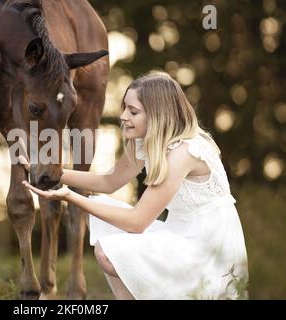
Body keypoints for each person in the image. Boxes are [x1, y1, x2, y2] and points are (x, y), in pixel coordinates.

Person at [19, 72, 249, 300]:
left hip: (207, 249)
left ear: (158, 114)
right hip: (179, 232)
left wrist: (69, 197)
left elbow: (137, 222)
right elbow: (108, 182)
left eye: (133, 111)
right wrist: (49, 172)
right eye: (124, 108)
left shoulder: (184, 152)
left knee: (109, 252)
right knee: (98, 211)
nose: (123, 116)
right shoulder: (149, 140)